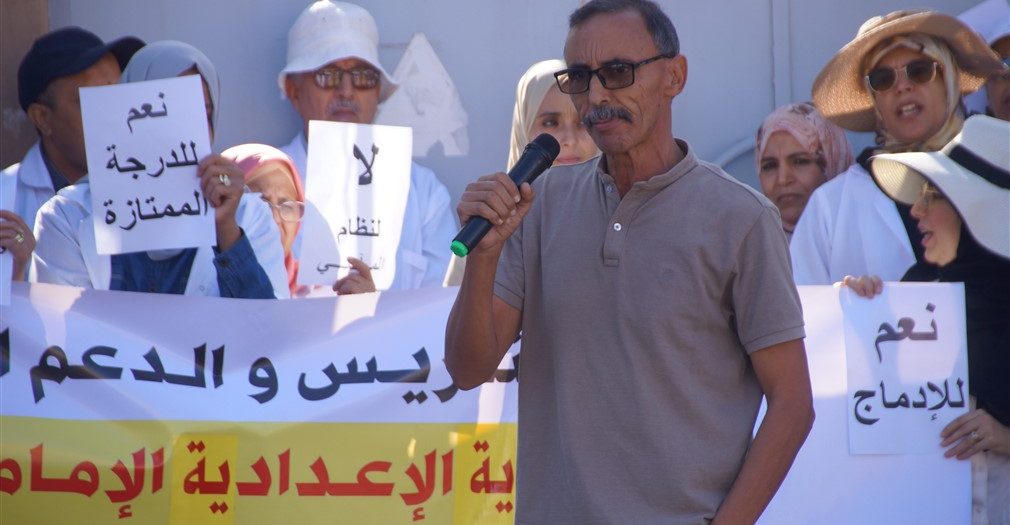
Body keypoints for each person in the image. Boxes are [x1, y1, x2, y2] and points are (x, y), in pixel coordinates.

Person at [445, 1, 814, 523]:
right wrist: (483, 259)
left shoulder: (742, 219)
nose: (596, 96)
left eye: (617, 72)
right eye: (580, 77)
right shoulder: (541, 204)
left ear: (674, 76)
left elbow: (793, 403)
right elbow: (467, 370)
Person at [843, 115, 1009, 525]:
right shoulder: (918, 292)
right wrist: (861, 311)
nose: (915, 210)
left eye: (932, 196)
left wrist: (1006, 437)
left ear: (974, 212)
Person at [31, 41, 288, 299]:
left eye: (201, 114)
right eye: (169, 113)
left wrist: (227, 234)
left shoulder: (249, 216)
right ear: (124, 116)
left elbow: (267, 321)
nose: (185, 131)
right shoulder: (66, 218)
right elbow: (67, 322)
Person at [789, 9, 1006, 285]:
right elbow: (801, 305)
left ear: (948, 79)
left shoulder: (1000, 164)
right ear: (874, 100)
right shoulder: (831, 206)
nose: (902, 87)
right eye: (883, 79)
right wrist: (842, 300)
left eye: (920, 71)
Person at [278, 0, 456, 294]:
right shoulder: (263, 184)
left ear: (377, 93)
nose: (346, 91)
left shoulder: (424, 195)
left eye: (363, 77)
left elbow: (441, 308)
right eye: (328, 75)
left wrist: (373, 306)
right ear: (294, 91)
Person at [1, 27, 143, 280]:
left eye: (118, 95)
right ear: (42, 118)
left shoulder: (161, 188)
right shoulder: (5, 198)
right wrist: (16, 272)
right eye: (94, 101)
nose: (114, 115)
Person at [443, 58, 599, 286]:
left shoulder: (617, 215)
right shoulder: (489, 220)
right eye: (550, 123)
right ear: (523, 127)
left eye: (583, 122)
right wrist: (485, 253)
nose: (569, 140)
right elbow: (455, 304)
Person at [754, 102, 853, 240]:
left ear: (833, 164)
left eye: (800, 161)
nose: (783, 179)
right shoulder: (747, 246)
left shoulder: (864, 238)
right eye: (770, 166)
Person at [223, 143, 305, 296]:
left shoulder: (315, 291)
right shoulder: (200, 284)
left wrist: (352, 300)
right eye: (261, 204)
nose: (275, 219)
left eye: (287, 207)